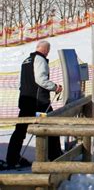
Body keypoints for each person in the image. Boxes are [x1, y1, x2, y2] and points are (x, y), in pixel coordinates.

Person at [6, 40, 63, 168]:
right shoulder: (40, 60)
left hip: (26, 102)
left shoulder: (26, 60)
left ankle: (12, 158)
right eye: (48, 51)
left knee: (20, 130)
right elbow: (41, 79)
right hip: (39, 104)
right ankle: (54, 155)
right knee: (50, 124)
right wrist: (55, 87)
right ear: (46, 50)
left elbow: (21, 83)